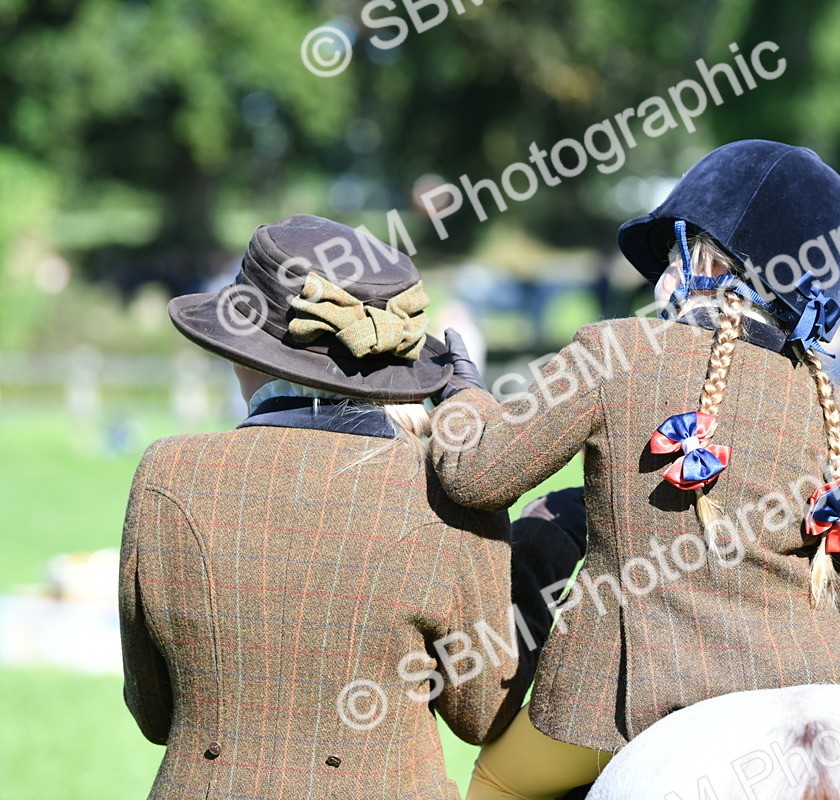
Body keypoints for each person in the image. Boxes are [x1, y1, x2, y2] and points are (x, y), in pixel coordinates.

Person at [428, 140, 840, 799]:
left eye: (674, 252)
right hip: (806, 682)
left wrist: (463, 391)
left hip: (616, 704)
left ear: (706, 258)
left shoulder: (615, 349)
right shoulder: (837, 408)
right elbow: (838, 596)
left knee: (496, 781)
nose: (662, 275)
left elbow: (474, 472)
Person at [118, 215, 585, 800]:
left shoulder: (166, 475)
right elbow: (482, 713)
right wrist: (543, 547)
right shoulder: (443, 493)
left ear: (243, 354)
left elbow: (153, 713)